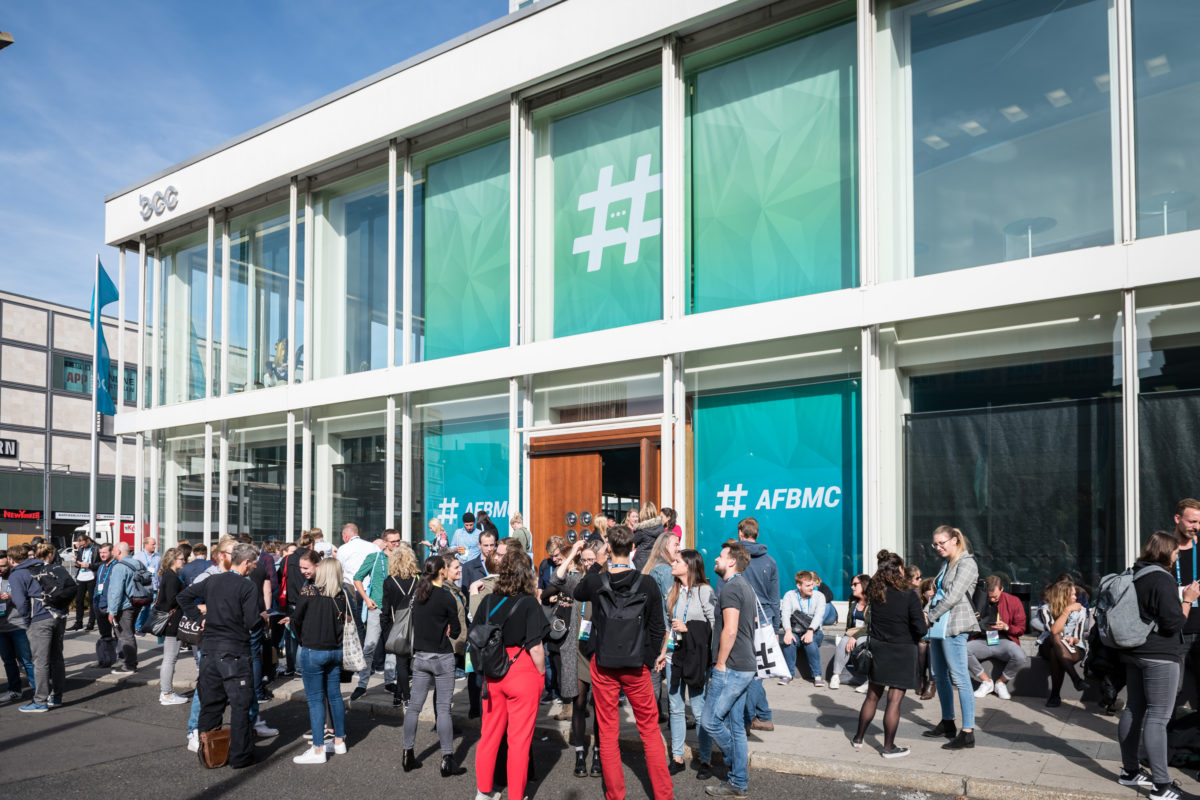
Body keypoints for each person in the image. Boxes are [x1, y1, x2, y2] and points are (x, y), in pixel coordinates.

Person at [572, 524, 671, 800]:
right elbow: (658, 627)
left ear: (609, 549)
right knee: (649, 731)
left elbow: (578, 592)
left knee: (608, 733)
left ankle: (615, 795)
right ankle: (664, 795)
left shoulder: (597, 582)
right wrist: (647, 660)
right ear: (633, 549)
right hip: (637, 666)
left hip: (604, 664)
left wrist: (596, 564)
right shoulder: (647, 583)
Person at [1116, 530, 1198, 799]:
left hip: (1134, 650)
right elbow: (1174, 623)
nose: (1177, 556)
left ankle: (1130, 772)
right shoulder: (1162, 579)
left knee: (1133, 709)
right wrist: (1188, 599)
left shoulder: (1136, 573)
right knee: (1158, 717)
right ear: (1166, 553)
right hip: (1160, 654)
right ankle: (1161, 785)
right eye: (1175, 552)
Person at [177, 542, 266, 769]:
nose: (255, 568)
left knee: (211, 704)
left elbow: (184, 596)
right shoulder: (247, 586)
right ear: (246, 562)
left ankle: (209, 754)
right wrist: (263, 620)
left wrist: (199, 618)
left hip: (209, 650)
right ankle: (240, 756)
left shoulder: (213, 580)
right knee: (240, 705)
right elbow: (251, 621)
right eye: (254, 564)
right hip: (234, 651)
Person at [472, 548, 550, 800]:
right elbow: (536, 647)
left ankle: (484, 792)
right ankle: (516, 795)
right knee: (519, 741)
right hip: (522, 669)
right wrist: (541, 675)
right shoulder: (528, 603)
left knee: (489, 736)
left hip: (493, 671)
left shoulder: (487, 601)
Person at [852, 551, 928, 758]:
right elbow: (921, 629)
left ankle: (858, 738)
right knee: (894, 701)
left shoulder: (875, 592)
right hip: (902, 650)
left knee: (872, 696)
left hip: (878, 648)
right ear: (899, 570)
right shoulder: (909, 595)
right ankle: (888, 747)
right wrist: (922, 621)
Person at [702, 540, 757, 798]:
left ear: (732, 561)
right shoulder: (744, 586)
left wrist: (720, 663)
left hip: (732, 666)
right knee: (736, 727)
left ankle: (735, 762)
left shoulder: (731, 589)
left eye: (721, 556)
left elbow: (731, 630)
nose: (716, 558)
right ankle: (738, 781)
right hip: (744, 665)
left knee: (710, 721)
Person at [401, 555, 464, 776]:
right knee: (443, 708)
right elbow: (456, 631)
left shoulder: (417, 594)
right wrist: (448, 630)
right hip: (442, 656)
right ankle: (447, 759)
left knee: (413, 707)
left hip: (420, 657)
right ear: (441, 571)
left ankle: (407, 753)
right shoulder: (446, 597)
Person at [547, 540, 603, 776]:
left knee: (599, 706)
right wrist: (572, 554)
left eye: (592, 560)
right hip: (577, 649)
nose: (588, 564)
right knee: (579, 703)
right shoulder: (576, 581)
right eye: (585, 560)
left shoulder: (605, 581)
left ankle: (598, 753)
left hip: (598, 651)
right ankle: (580, 753)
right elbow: (555, 579)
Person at [922, 525, 981, 750]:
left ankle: (968, 732)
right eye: (935, 544)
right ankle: (948, 722)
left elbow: (954, 596)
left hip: (955, 625)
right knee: (939, 675)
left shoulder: (967, 563)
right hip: (939, 626)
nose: (938, 547)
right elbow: (938, 594)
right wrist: (925, 612)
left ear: (955, 540)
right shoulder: (947, 563)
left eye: (942, 543)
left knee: (960, 677)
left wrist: (930, 616)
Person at [291, 557, 350, 764]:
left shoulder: (309, 591)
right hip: (336, 650)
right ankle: (339, 741)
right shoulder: (342, 594)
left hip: (314, 649)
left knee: (315, 700)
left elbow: (296, 620)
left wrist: (302, 639)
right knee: (335, 696)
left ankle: (318, 749)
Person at [665, 548, 716, 777]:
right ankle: (677, 757)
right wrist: (662, 653)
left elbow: (714, 625)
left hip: (696, 658)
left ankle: (705, 759)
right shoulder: (673, 591)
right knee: (675, 708)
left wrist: (689, 628)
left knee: (699, 709)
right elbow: (669, 627)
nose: (672, 564)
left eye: (677, 561)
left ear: (689, 566)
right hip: (674, 656)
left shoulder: (704, 591)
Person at [10, 543, 66, 712]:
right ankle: (56, 697)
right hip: (58, 615)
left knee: (40, 662)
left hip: (40, 619)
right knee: (56, 658)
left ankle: (40, 701)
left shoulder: (17, 574)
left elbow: (20, 602)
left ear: (11, 559)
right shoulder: (42, 566)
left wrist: (27, 620)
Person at [735, 517, 779, 731]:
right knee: (758, 668)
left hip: (740, 615)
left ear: (740, 533)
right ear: (757, 534)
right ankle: (764, 716)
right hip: (764, 617)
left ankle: (744, 719)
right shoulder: (769, 561)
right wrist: (776, 628)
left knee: (750, 671)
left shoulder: (734, 557)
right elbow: (775, 598)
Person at [351, 528, 401, 701]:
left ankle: (389, 681)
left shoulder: (403, 558)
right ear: (385, 542)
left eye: (398, 540)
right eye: (393, 541)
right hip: (377, 608)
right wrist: (366, 599)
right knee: (369, 647)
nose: (397, 544)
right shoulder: (375, 558)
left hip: (395, 610)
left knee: (392, 647)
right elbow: (357, 578)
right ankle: (362, 684)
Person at [968, 575, 1028, 700]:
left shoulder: (1013, 601)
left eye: (995, 596)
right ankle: (986, 682)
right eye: (989, 596)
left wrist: (1006, 627)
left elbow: (1021, 629)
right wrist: (982, 627)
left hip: (1004, 640)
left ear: (1002, 589)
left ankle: (1000, 683)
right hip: (982, 639)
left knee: (1020, 656)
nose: (992, 599)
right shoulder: (978, 599)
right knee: (961, 650)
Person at [1034, 579, 1089, 708]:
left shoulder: (1080, 610)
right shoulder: (1046, 609)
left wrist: (1073, 639)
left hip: (1073, 647)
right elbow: (1053, 630)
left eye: (1075, 594)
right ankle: (1075, 678)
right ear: (1063, 596)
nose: (1076, 597)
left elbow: (1078, 636)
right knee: (1055, 638)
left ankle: (1055, 695)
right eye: (1072, 595)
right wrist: (1067, 610)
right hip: (1048, 643)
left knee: (1055, 652)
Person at [641, 532, 679, 718]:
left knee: (653, 674)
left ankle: (656, 713)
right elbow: (672, 606)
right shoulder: (665, 571)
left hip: (650, 630)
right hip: (665, 632)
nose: (679, 548)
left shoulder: (650, 568)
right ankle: (660, 716)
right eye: (676, 544)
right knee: (662, 674)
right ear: (665, 547)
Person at [1169, 499, 1200, 703]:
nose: (1196, 527)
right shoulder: (1165, 549)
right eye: (1192, 522)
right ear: (1177, 518)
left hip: (1199, 631)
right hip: (1176, 631)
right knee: (1173, 690)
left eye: (1199, 522)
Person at [384, 543, 420, 708]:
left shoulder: (389, 582)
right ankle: (398, 696)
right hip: (415, 624)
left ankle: (406, 697)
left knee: (402, 664)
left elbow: (385, 609)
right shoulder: (418, 580)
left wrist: (386, 632)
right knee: (406, 663)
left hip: (396, 625)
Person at [0, 548, 36, 702]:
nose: (1, 569)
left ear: (9, 562)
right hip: (2, 626)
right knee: (8, 661)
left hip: (19, 625)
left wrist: (11, 596)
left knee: (27, 660)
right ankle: (14, 690)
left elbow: (28, 597)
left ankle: (39, 691)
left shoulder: (17, 576)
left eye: (3, 566)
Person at [781, 570, 828, 686]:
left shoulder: (819, 596)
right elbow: (785, 614)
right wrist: (787, 631)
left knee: (809, 642)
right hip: (796, 630)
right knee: (788, 641)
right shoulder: (789, 595)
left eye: (812, 584)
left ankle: (817, 676)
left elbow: (819, 616)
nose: (811, 587)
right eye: (808, 585)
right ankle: (788, 674)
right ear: (799, 585)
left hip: (815, 630)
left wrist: (810, 631)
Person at [107, 541, 146, 675]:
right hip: (137, 603)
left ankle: (130, 665)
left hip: (124, 606)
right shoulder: (139, 564)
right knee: (128, 634)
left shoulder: (119, 567)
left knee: (125, 636)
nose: (112, 552)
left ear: (119, 551)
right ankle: (127, 661)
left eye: (113, 550)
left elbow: (116, 591)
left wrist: (112, 611)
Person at [156, 547, 189, 705]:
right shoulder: (172, 577)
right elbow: (171, 600)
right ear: (173, 560)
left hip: (171, 620)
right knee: (170, 658)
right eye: (181, 559)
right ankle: (167, 693)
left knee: (170, 657)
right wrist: (188, 592)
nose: (184, 561)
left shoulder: (170, 575)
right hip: (172, 621)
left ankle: (167, 692)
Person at [828, 574, 870, 690]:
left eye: (855, 584)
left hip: (868, 633)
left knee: (861, 643)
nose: (852, 587)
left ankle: (869, 681)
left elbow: (870, 625)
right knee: (843, 642)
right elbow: (850, 623)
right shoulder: (853, 600)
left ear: (864, 585)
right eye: (852, 584)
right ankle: (835, 676)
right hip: (853, 632)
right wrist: (849, 635)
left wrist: (855, 637)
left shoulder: (873, 602)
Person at [133, 537, 161, 634]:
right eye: (153, 544)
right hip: (143, 587)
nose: (155, 546)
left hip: (154, 587)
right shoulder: (137, 557)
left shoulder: (158, 557)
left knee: (151, 608)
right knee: (142, 608)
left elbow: (159, 572)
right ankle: (137, 627)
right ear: (146, 544)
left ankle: (145, 627)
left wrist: (160, 585)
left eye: (155, 544)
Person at [71, 534, 97, 631]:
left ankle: (91, 623)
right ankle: (78, 623)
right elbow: (79, 560)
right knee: (79, 600)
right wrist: (77, 563)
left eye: (83, 544)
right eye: (81, 545)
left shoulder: (96, 548)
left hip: (91, 577)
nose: (82, 547)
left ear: (88, 540)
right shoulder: (81, 549)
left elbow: (101, 564)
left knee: (92, 600)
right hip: (81, 576)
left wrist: (89, 565)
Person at [631, 502, 664, 571]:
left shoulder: (641, 530)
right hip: (657, 560)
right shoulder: (661, 528)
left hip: (641, 562)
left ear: (642, 513)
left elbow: (632, 543)